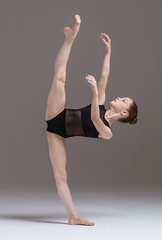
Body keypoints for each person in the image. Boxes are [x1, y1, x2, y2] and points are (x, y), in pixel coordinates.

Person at [45, 14, 138, 226]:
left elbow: (96, 119)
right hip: (57, 113)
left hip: (58, 135)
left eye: (123, 100)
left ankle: (73, 216)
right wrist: (109, 52)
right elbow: (104, 75)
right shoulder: (104, 102)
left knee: (61, 176)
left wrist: (95, 93)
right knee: (60, 79)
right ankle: (70, 36)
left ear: (124, 113)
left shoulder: (108, 132)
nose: (119, 97)